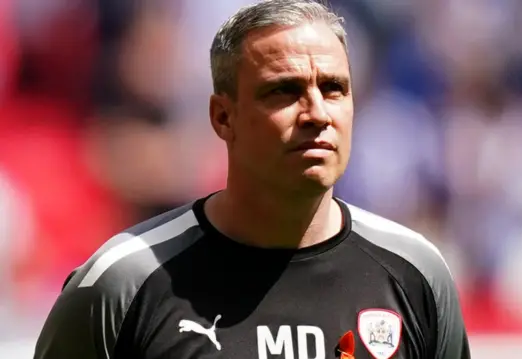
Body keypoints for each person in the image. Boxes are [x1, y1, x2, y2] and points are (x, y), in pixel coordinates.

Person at [33, 1, 470, 358]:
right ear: (223, 117)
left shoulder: (416, 276)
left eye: (334, 88)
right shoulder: (123, 284)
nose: (317, 113)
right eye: (284, 90)